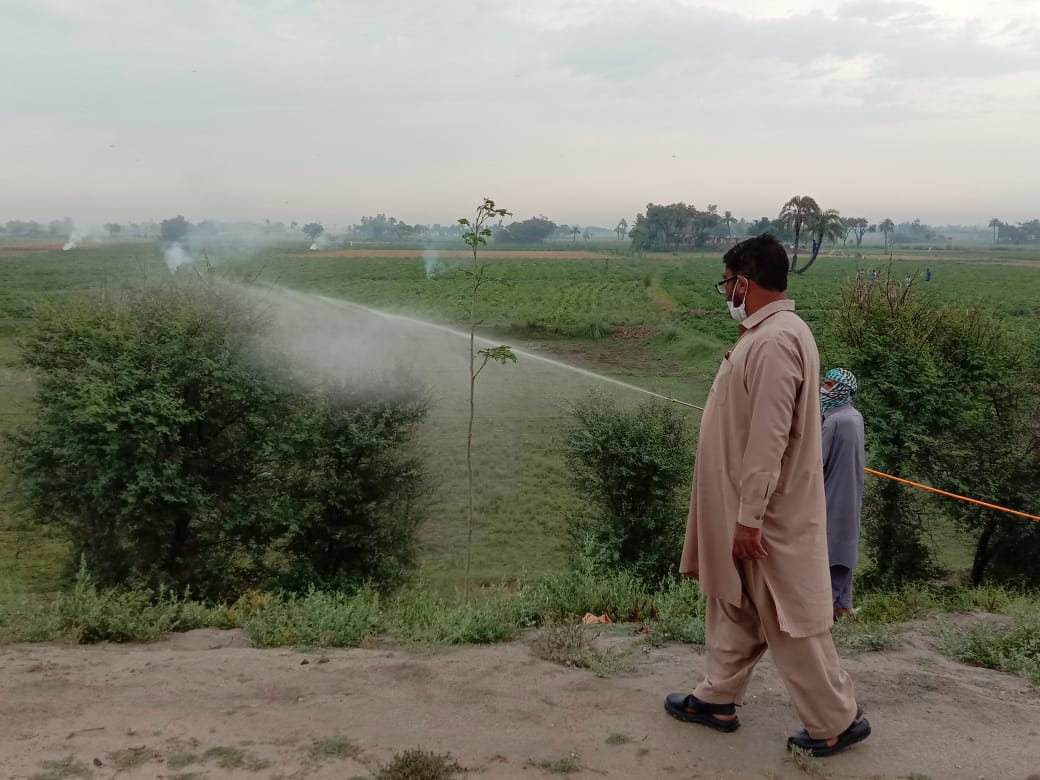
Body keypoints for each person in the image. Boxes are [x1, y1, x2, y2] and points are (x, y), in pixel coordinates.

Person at [664, 235, 870, 758]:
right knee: (735, 605)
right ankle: (716, 698)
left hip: (763, 516)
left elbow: (768, 439)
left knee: (786, 617)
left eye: (727, 281)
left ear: (744, 281)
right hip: (743, 509)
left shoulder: (776, 340)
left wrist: (749, 518)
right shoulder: (770, 333)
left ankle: (835, 721)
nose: (726, 292)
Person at [820, 368, 865, 620]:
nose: (824, 390)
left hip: (833, 492)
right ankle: (843, 605)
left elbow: (817, 460)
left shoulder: (836, 421)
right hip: (850, 491)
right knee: (843, 547)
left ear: (841, 390)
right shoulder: (855, 417)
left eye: (828, 385)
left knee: (830, 549)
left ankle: (831, 607)